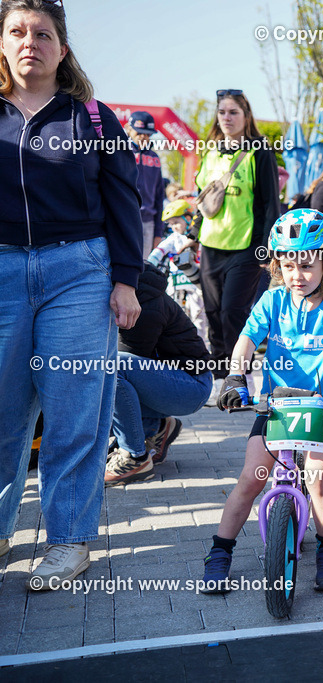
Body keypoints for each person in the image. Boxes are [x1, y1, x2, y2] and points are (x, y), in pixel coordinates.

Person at [0, 0, 142, 586]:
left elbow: (123, 202)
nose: (29, 41)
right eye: (16, 32)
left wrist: (126, 279)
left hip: (80, 273)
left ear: (62, 48)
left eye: (42, 33)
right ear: (2, 44)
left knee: (74, 416)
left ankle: (68, 542)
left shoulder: (93, 117)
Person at [200, 209, 323, 593]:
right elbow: (245, 340)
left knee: (318, 477)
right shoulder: (273, 302)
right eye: (288, 265)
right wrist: (235, 375)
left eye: (306, 265)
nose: (297, 275)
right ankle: (220, 552)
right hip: (276, 405)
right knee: (250, 478)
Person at [195, 89, 279, 402]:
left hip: (247, 246)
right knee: (213, 314)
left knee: (234, 311)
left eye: (234, 112)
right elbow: (201, 198)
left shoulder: (260, 151)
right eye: (222, 113)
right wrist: (193, 234)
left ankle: (241, 377)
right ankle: (221, 379)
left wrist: (266, 249)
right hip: (210, 244)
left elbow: (272, 203)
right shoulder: (209, 151)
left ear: (246, 116)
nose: (227, 118)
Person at [104, 263, 213, 484]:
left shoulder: (141, 302)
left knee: (111, 369)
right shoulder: (133, 290)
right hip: (173, 380)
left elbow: (131, 373)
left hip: (192, 386)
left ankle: (135, 456)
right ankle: (158, 428)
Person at [149, 199, 208, 347]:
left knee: (198, 315)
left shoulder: (198, 237)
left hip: (195, 284)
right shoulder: (173, 238)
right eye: (170, 224)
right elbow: (160, 250)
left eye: (176, 222)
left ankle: (199, 344)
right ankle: (176, 344)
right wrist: (149, 263)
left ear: (188, 219)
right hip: (176, 283)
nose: (173, 227)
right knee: (173, 313)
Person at [127, 110, 165, 252]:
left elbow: (159, 196)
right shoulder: (120, 153)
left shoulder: (155, 158)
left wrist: (158, 233)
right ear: (128, 129)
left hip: (148, 223)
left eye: (147, 134)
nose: (143, 137)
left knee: (143, 269)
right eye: (139, 133)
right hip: (125, 218)